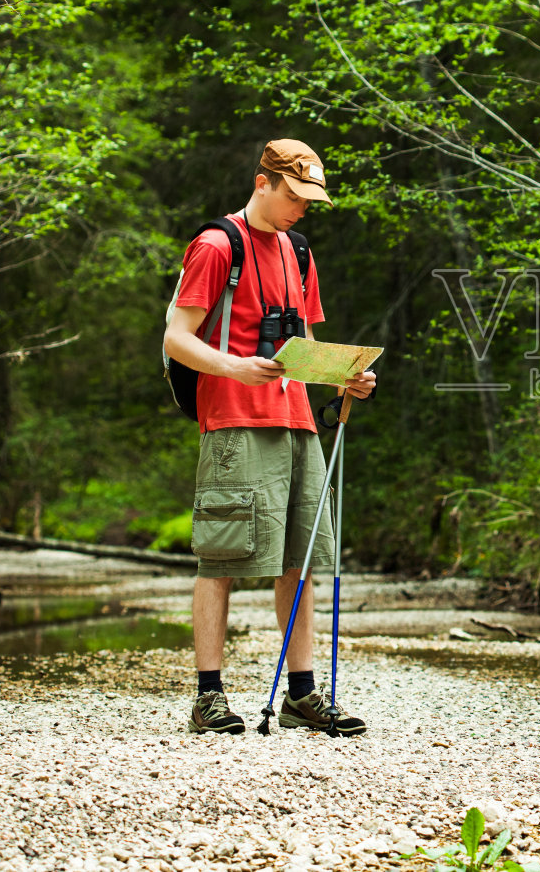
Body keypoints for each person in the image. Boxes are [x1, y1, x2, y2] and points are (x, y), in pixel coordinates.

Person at [163, 138, 377, 736]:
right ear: (263, 183)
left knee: (300, 562)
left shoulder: (301, 251)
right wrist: (233, 367)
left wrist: (348, 378)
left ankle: (302, 695)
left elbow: (303, 346)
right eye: (293, 195)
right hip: (233, 418)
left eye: (310, 199)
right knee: (222, 555)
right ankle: (208, 698)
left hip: (298, 420)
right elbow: (176, 338)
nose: (301, 208)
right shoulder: (215, 246)